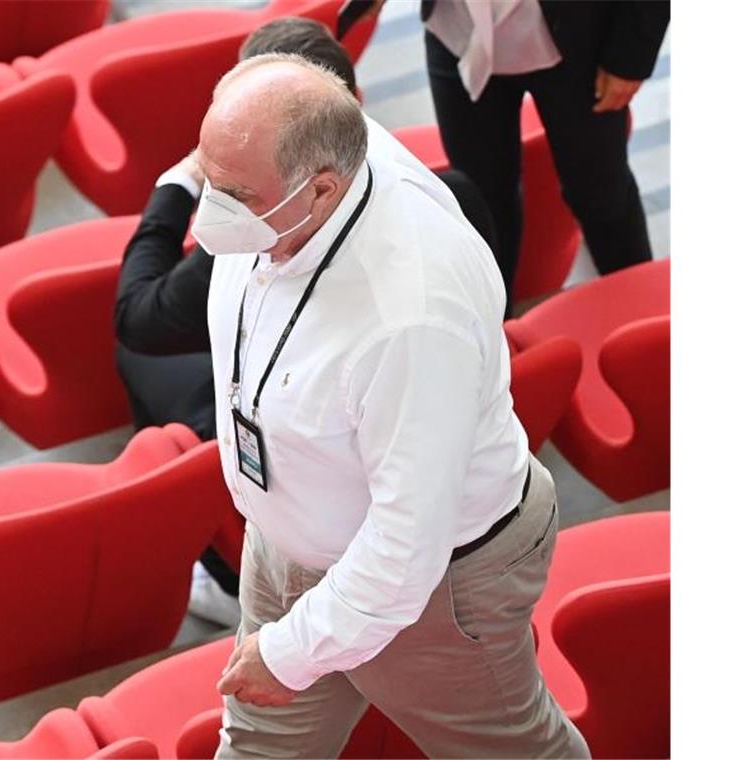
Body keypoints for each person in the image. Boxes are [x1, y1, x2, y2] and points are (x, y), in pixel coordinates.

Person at [197, 54, 587, 758]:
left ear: (320, 190)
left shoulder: (409, 320)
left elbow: (408, 545)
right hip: (289, 545)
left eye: (236, 197)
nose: (207, 217)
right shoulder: (295, 150)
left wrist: (290, 652)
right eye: (206, 180)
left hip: (436, 590)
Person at [113, 18, 497, 628]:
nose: (222, 205)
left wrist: (179, 181)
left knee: (137, 356)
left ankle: (218, 573)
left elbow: (136, 317)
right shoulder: (453, 195)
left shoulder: (257, 246)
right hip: (318, 527)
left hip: (368, 558)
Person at [343, 0, 670, 311]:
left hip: (581, 31)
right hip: (458, 30)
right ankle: (500, 343)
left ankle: (645, 324)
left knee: (600, 195)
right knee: (480, 202)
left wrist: (632, 55)